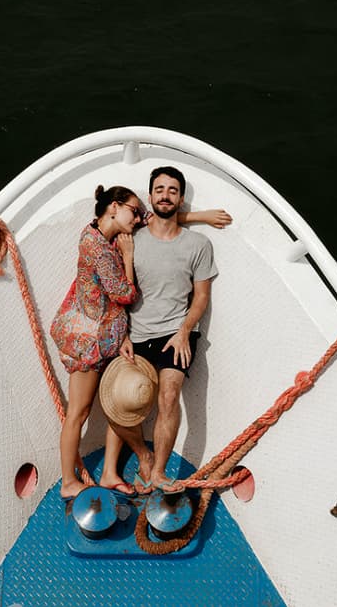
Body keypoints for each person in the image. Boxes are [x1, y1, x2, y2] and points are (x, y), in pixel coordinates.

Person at [108, 166, 220, 494]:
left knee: (169, 396)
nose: (165, 195)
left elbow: (201, 297)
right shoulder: (132, 238)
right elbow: (118, 290)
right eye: (159, 189)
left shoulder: (199, 245)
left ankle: (158, 472)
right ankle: (143, 455)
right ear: (150, 195)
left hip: (177, 333)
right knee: (118, 400)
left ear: (180, 198)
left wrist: (185, 330)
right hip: (137, 335)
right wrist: (124, 334)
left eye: (172, 190)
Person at [50, 184, 146, 499]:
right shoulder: (101, 250)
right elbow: (124, 294)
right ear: (114, 207)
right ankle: (68, 482)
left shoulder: (94, 234)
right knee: (79, 410)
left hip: (106, 340)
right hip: (89, 342)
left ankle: (108, 474)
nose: (138, 218)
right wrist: (128, 256)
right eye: (134, 210)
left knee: (114, 405)